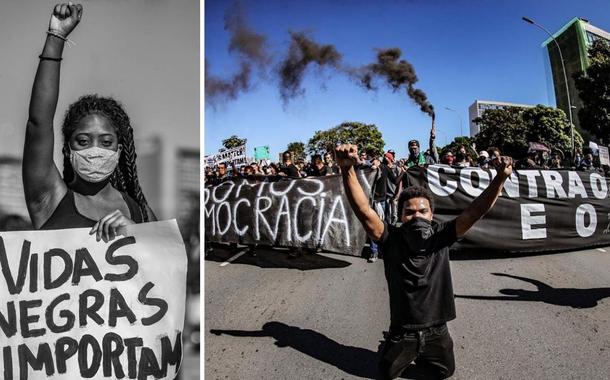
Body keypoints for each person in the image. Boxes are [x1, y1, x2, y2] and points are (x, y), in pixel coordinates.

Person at [335, 143, 513, 380]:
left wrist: (500, 178)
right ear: (400, 217)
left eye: (423, 211)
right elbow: (364, 210)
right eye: (409, 212)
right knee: (386, 373)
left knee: (445, 371)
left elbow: (475, 211)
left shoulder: (442, 235)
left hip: (437, 331)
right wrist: (347, 169)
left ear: (432, 215)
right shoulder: (390, 238)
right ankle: (394, 346)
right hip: (403, 333)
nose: (416, 216)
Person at [23, 3, 155, 243]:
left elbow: (168, 266)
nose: (95, 151)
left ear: (119, 149)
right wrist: (56, 36)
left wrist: (138, 235)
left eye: (106, 141)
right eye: (83, 141)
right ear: (67, 148)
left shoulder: (140, 213)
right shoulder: (49, 197)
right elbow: (38, 124)